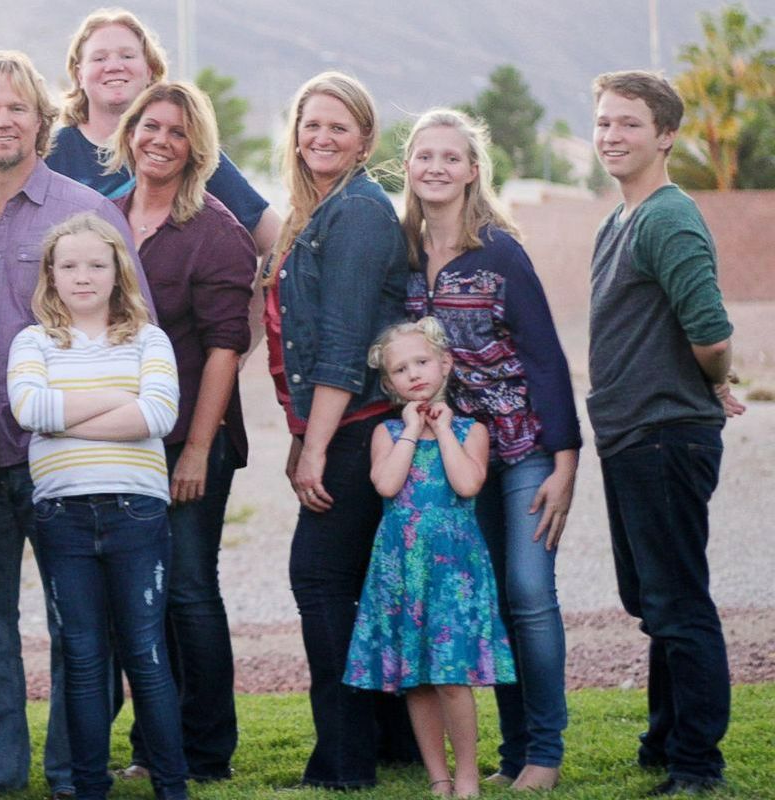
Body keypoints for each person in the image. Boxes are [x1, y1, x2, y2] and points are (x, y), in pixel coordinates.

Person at [0, 49, 154, 797]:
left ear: (42, 119)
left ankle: (73, 771)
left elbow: (134, 329)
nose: (3, 120)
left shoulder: (86, 214)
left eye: (17, 107)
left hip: (70, 459)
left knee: (80, 626)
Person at [398, 108, 581, 792]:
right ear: (409, 167)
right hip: (452, 457)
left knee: (531, 593)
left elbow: (545, 359)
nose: (437, 167)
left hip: (524, 448)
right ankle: (510, 753)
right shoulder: (405, 256)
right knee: (489, 600)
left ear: (474, 170)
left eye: (451, 157)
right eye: (425, 156)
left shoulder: (501, 253)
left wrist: (564, 463)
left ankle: (545, 751)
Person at [262, 70, 416, 789]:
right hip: (338, 425)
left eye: (338, 126)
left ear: (364, 141)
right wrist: (303, 434)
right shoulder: (322, 209)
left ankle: (345, 762)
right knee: (352, 585)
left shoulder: (357, 213)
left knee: (319, 580)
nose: (320, 137)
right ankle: (390, 746)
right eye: (310, 124)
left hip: (361, 429)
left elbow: (346, 339)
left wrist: (315, 446)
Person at [589, 70, 740, 797]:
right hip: (629, 436)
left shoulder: (668, 218)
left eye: (629, 124)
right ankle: (663, 742)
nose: (612, 136)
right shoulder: (620, 218)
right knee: (653, 601)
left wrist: (717, 377)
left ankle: (696, 766)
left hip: (665, 435)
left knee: (678, 602)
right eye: (604, 123)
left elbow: (710, 329)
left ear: (666, 135)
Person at [103, 80, 256, 782]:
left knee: (190, 589)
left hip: (190, 436)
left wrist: (197, 448)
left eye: (175, 131)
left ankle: (206, 751)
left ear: (196, 147)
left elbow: (227, 346)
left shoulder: (216, 231)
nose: (159, 141)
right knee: (140, 595)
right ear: (129, 131)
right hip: (116, 438)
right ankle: (152, 745)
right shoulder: (103, 218)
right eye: (148, 126)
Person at [8, 213, 184, 800]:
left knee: (146, 652)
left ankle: (172, 785)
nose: (82, 276)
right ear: (51, 275)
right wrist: (117, 396)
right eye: (69, 265)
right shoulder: (32, 341)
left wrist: (68, 417)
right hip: (63, 517)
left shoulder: (148, 339)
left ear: (117, 272)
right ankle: (87, 788)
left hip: (136, 511)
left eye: (96, 264)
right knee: (82, 656)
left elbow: (158, 416)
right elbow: (30, 411)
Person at [346, 318, 516, 799]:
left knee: (451, 677)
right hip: (403, 570)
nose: (414, 374)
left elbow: (467, 484)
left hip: (452, 572)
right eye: (401, 369)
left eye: (422, 362)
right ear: (390, 383)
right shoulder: (385, 433)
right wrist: (411, 428)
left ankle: (466, 775)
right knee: (416, 679)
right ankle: (438, 777)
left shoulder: (471, 430)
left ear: (445, 364)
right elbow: (387, 484)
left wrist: (441, 431)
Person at [47, 8, 281, 256]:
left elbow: (275, 238)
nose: (114, 66)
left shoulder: (186, 150)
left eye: (127, 56)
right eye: (99, 58)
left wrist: (256, 294)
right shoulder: (52, 154)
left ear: (149, 70)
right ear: (79, 73)